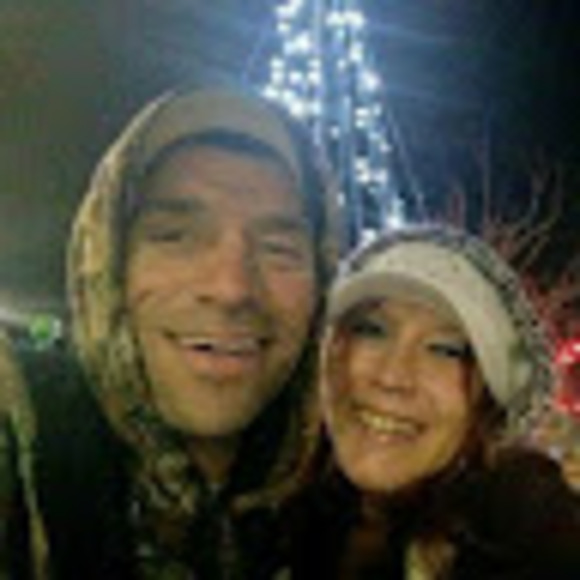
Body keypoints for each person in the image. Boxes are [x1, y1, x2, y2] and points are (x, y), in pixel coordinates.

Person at [0, 85, 340, 579]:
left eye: (278, 249)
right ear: (108, 264)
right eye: (175, 237)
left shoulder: (343, 500)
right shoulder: (26, 435)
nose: (231, 288)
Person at [284, 225, 580, 579]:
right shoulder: (270, 511)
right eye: (372, 330)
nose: (392, 377)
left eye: (445, 349)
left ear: (486, 401)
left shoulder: (526, 523)